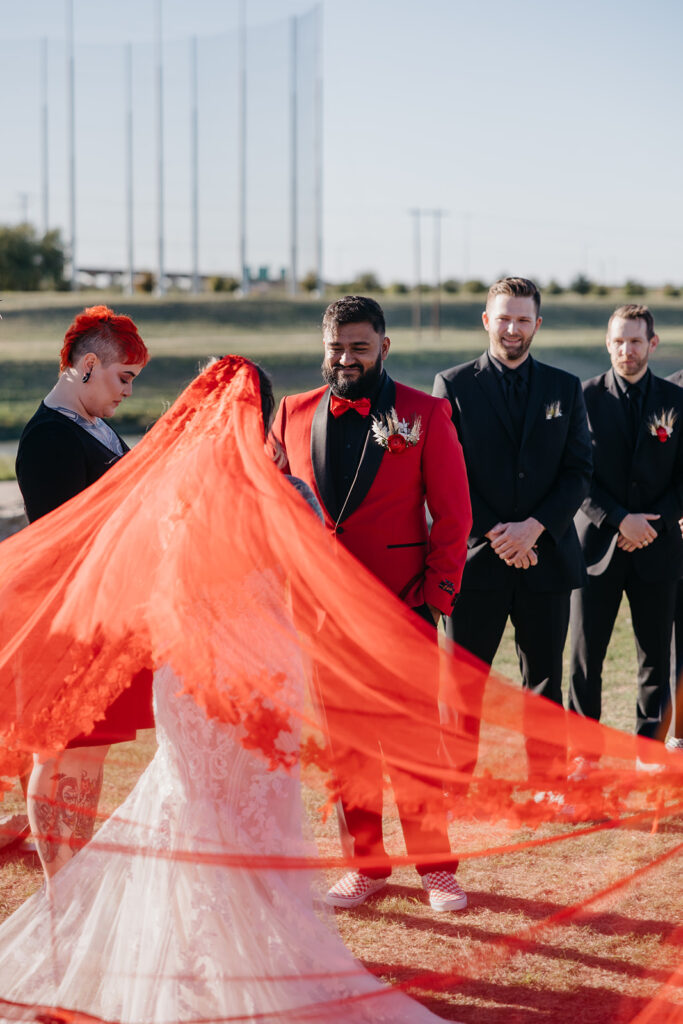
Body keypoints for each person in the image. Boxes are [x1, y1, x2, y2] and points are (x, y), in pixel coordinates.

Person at [0, 356, 451, 1023]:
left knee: (195, 807)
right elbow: (313, 582)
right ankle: (254, 954)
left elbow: (140, 583)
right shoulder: (287, 492)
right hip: (264, 673)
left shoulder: (167, 495)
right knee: (254, 816)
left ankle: (193, 954)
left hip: (198, 675)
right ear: (261, 416)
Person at [272, 295, 472, 912]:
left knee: (413, 746)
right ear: (323, 344)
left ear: (384, 346)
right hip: (322, 614)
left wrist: (436, 595)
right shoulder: (291, 412)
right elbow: (274, 504)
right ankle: (366, 867)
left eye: (359, 346)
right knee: (345, 749)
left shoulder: (425, 413)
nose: (346, 357)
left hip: (401, 609)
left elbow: (454, 514)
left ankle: (436, 870)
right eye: (336, 346)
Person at [433, 277, 592, 781]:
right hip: (477, 560)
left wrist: (536, 528)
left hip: (547, 557)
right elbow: (444, 474)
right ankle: (457, 785)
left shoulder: (565, 388)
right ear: (486, 320)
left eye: (524, 319)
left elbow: (579, 471)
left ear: (537, 325)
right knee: (461, 682)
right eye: (504, 317)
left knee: (543, 681)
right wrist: (500, 534)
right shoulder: (453, 386)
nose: (513, 328)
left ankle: (546, 784)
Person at [14, 304, 153, 879]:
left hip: (102, 615)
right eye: (124, 378)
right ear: (89, 365)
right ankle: (61, 883)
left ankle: (72, 873)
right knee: (63, 749)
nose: (126, 392)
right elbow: (68, 541)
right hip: (67, 619)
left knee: (89, 751)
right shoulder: (51, 437)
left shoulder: (94, 426)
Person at [569, 305, 683, 766]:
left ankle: (649, 753)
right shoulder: (582, 398)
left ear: (652, 344)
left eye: (635, 341)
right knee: (583, 655)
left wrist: (649, 524)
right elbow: (575, 474)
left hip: (659, 549)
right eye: (618, 341)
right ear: (607, 342)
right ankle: (584, 757)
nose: (626, 350)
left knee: (655, 654)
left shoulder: (676, 401)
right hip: (595, 546)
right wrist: (619, 520)